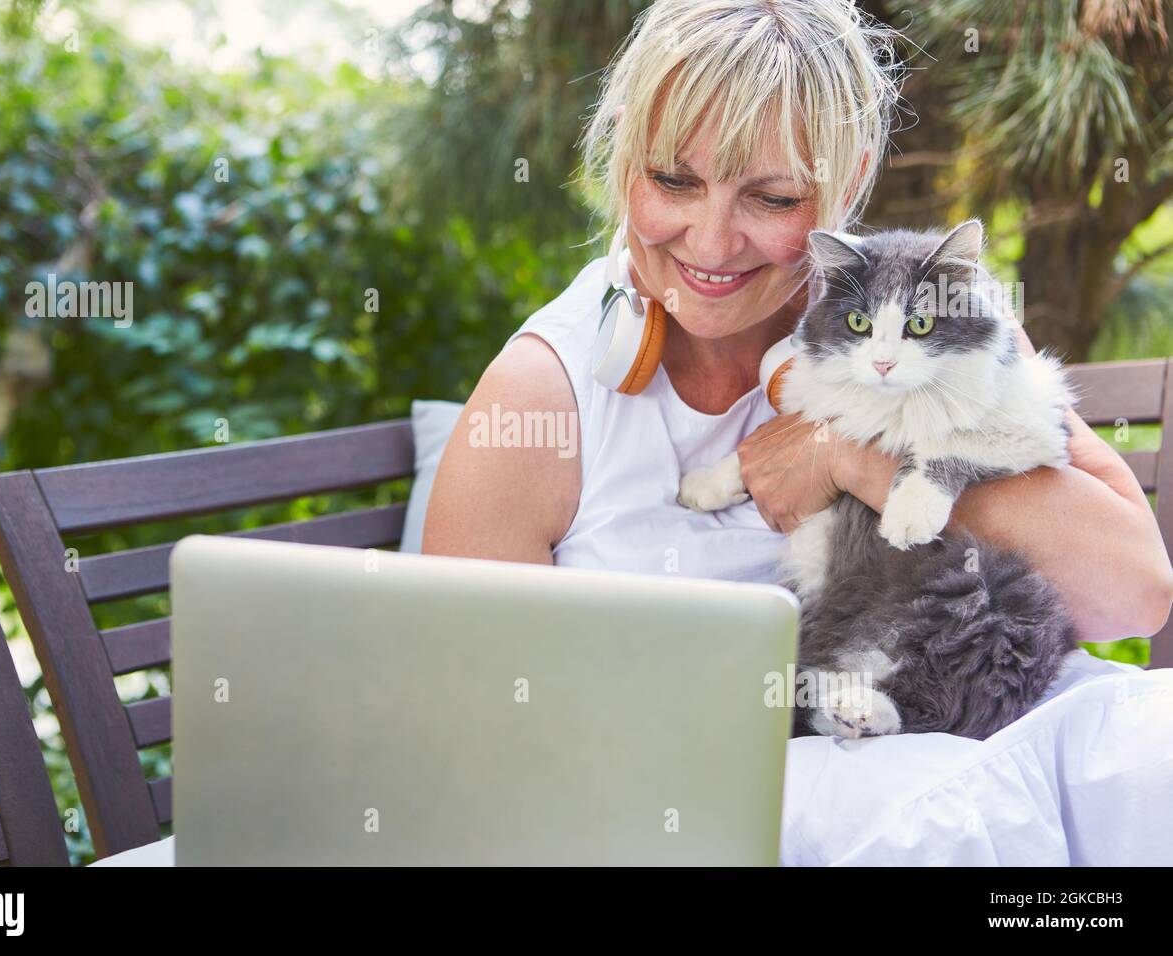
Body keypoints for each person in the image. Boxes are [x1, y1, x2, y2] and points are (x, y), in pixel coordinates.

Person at [422, 0, 1173, 864]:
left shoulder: (910, 310)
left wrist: (852, 457)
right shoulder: (539, 396)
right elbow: (471, 751)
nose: (711, 240)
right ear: (623, 152)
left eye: (770, 197)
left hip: (991, 734)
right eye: (673, 181)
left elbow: (1134, 592)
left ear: (847, 180)